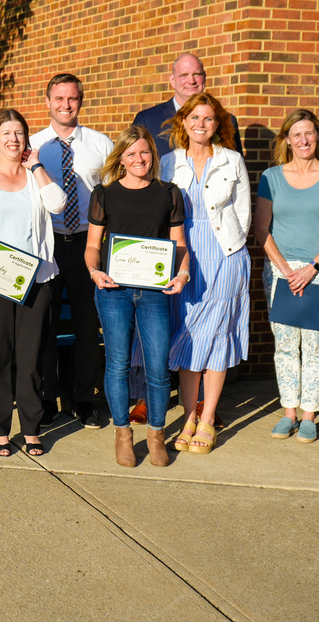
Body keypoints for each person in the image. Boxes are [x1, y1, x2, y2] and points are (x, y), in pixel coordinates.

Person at [0, 109, 66, 458]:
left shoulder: (36, 176)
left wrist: (36, 166)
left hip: (35, 280)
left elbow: (58, 204)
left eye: (19, 133)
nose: (13, 139)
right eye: (6, 133)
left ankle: (32, 429)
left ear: (26, 139)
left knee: (31, 357)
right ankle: (1, 430)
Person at [85, 127, 190, 468]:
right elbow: (91, 247)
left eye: (144, 153)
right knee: (117, 364)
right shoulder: (104, 195)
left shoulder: (169, 194)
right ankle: (123, 433)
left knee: (158, 367)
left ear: (152, 156)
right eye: (131, 154)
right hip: (113, 291)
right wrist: (94, 271)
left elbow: (180, 245)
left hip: (154, 292)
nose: (138, 159)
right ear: (121, 158)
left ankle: (156, 435)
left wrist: (183, 273)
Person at [160, 94, 250, 456]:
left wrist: (229, 250)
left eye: (209, 119)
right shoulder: (168, 162)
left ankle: (208, 418)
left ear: (218, 124)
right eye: (194, 117)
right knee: (188, 336)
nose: (201, 124)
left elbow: (242, 215)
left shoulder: (233, 160)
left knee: (215, 335)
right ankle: (187, 418)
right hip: (183, 254)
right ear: (183, 121)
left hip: (223, 254)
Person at [254, 109, 319, 444]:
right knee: (284, 345)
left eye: (309, 133)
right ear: (287, 139)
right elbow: (261, 228)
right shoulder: (271, 177)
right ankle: (289, 412)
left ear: (317, 136)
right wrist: (285, 269)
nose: (304, 140)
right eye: (296, 134)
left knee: (314, 347)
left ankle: (309, 413)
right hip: (281, 271)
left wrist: (311, 268)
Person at [29, 73, 113, 429]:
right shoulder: (32, 146)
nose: (66, 105)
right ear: (47, 101)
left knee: (85, 324)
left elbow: (113, 197)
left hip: (86, 245)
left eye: (72, 99)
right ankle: (47, 398)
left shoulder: (100, 144)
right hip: (46, 246)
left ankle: (84, 398)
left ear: (81, 101)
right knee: (43, 325)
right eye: (59, 98)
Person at [132, 53, 241, 159]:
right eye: (184, 75)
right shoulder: (147, 120)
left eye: (197, 74)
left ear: (204, 77)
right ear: (172, 80)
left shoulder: (227, 120)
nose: (191, 81)